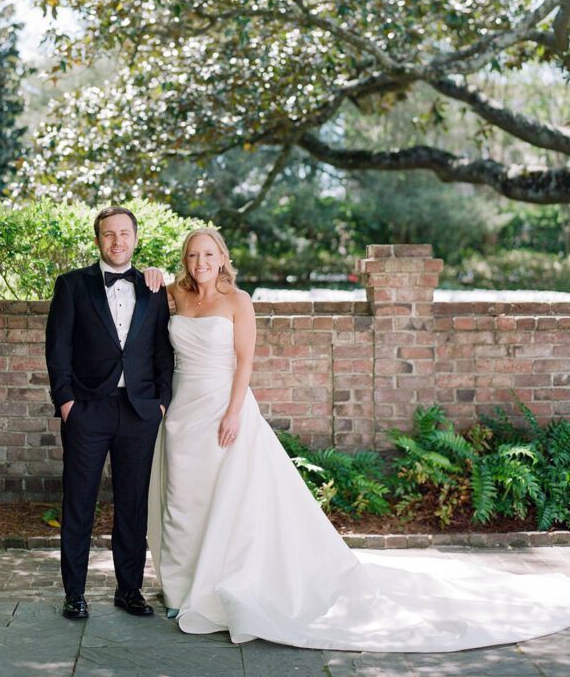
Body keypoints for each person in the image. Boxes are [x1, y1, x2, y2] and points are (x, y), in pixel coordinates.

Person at [146, 227, 570, 652]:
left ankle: (216, 587)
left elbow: (245, 362)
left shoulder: (238, 302)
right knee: (184, 500)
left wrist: (234, 413)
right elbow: (139, 290)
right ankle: (181, 591)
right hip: (184, 411)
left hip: (224, 408)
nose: (199, 263)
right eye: (192, 256)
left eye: (207, 254)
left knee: (229, 503)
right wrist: (148, 271)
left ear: (222, 257)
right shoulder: (177, 296)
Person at [45, 206, 173, 621]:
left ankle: (129, 590)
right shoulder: (71, 286)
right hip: (88, 410)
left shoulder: (154, 289)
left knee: (133, 504)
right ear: (98, 240)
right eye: (108, 234)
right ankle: (74, 593)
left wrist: (161, 401)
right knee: (79, 501)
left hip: (139, 411)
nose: (117, 241)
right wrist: (67, 404)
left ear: (136, 238)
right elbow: (58, 349)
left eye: (124, 233)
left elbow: (161, 350)